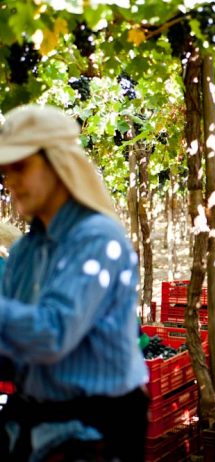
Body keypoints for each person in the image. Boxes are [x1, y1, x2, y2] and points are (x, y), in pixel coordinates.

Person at [0, 104, 149, 461]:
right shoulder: (25, 251)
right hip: (38, 420)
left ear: (59, 165)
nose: (11, 182)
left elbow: (51, 334)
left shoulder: (98, 239)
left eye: (21, 166)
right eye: (5, 172)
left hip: (95, 430)